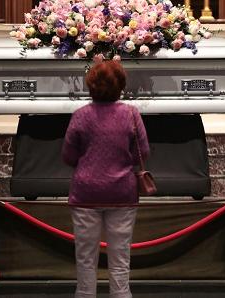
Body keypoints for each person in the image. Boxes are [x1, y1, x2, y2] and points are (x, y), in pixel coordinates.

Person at [62, 60, 150, 298]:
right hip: (122, 191)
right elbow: (143, 152)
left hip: (86, 192)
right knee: (120, 257)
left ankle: (85, 294)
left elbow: (68, 156)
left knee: (85, 257)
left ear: (90, 85)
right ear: (120, 85)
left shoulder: (80, 115)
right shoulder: (131, 114)